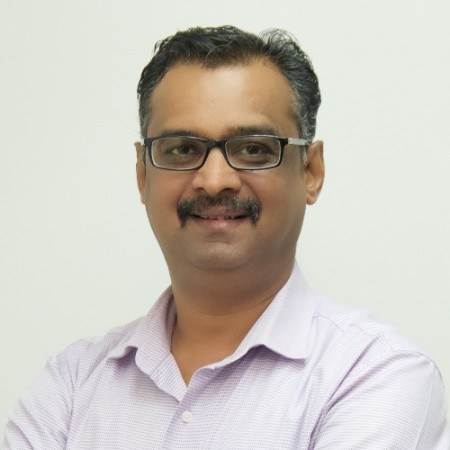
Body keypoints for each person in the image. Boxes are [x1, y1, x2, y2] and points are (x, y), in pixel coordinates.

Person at [3, 25, 449, 450]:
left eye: (253, 149)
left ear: (311, 172)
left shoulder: (377, 374)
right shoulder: (71, 384)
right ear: (142, 175)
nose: (214, 181)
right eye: (182, 149)